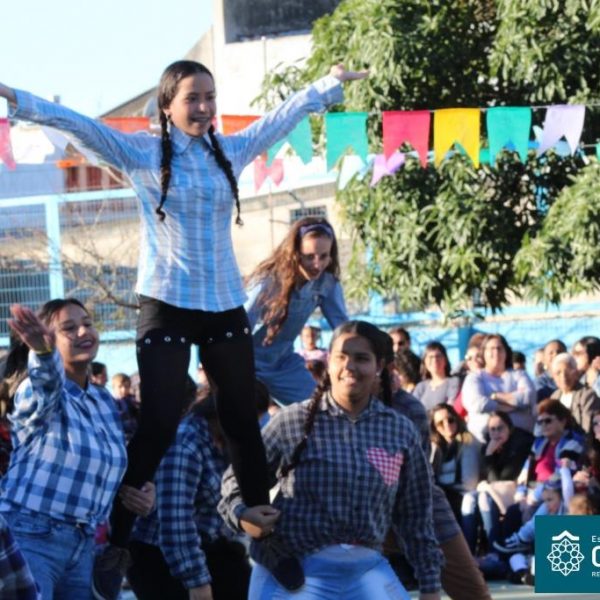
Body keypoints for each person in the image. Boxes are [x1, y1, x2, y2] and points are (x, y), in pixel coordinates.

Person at [0, 62, 368, 597]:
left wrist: (327, 84)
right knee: (161, 419)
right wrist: (18, 98)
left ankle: (265, 535)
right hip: (166, 302)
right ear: (168, 105)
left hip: (221, 303)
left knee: (241, 415)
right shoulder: (140, 153)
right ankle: (117, 543)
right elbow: (79, 124)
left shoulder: (230, 151)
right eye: (192, 98)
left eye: (210, 97)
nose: (203, 107)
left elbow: (279, 119)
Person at [219, 321, 443, 599]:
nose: (350, 366)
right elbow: (234, 481)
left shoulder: (400, 431)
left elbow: (417, 515)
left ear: (379, 366)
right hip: (295, 572)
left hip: (365, 570)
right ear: (328, 361)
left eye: (361, 358)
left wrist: (430, 585)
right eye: (341, 356)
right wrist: (242, 515)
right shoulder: (293, 421)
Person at [1, 301, 154, 598]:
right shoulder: (34, 390)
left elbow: (102, 465)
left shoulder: (103, 401)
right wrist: (43, 353)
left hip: (84, 545)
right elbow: (46, 384)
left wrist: (140, 491)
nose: (84, 331)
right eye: (69, 328)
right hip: (29, 536)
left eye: (87, 323)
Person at [128, 392, 251, 600]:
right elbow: (176, 521)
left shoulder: (227, 441)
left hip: (210, 543)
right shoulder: (186, 443)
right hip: (162, 554)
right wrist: (196, 581)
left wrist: (239, 540)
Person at [245, 217, 348, 405]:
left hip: (282, 365)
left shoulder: (326, 284)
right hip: (245, 363)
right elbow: (240, 327)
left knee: (319, 409)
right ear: (294, 254)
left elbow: (343, 328)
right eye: (309, 256)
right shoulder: (268, 281)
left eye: (323, 256)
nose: (317, 265)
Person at [461, 333, 536, 443]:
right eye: (491, 349)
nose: (496, 352)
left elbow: (527, 397)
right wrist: (506, 407)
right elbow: (477, 403)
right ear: (483, 353)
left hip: (520, 437)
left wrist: (496, 396)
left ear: (506, 352)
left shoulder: (519, 375)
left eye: (499, 348)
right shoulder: (474, 377)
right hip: (482, 441)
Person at [476, 412, 533, 549]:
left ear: (509, 429)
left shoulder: (519, 445)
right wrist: (489, 453)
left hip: (513, 489)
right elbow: (487, 478)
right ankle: (471, 551)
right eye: (492, 429)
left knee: (485, 498)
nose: (496, 433)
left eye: (500, 428)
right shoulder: (487, 447)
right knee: (469, 500)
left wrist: (489, 455)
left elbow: (501, 479)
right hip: (493, 490)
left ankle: (494, 549)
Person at [429, 404, 481, 552]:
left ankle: (460, 552)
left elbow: (469, 483)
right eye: (440, 423)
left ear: (457, 419)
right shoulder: (438, 446)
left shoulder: (468, 442)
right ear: (435, 428)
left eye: (450, 419)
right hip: (443, 492)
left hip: (461, 494)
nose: (447, 425)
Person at [550, 353, 600, 434]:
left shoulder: (587, 395)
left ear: (576, 372)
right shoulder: (554, 397)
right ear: (553, 376)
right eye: (558, 373)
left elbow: (587, 430)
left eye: (567, 371)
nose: (563, 377)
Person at [413, 342, 460, 412]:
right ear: (424, 362)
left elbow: (451, 406)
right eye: (430, 357)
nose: (435, 360)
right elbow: (413, 409)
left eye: (438, 356)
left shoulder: (453, 382)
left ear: (445, 360)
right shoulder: (421, 387)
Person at [111, 372, 140, 443]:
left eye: (126, 386)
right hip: (123, 436)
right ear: (114, 388)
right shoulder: (112, 403)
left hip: (136, 433)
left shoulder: (133, 400)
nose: (123, 389)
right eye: (120, 387)